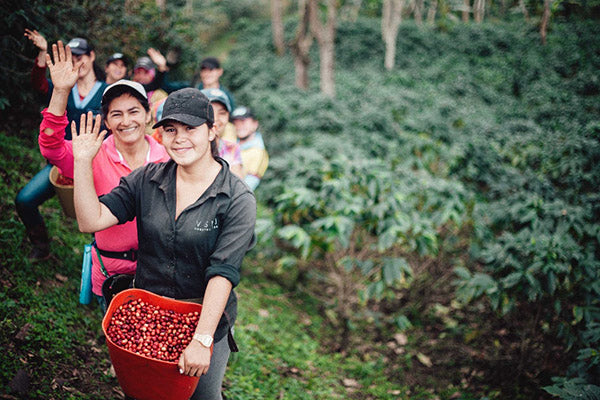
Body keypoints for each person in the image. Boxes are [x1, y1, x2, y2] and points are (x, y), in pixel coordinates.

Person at [72, 87, 256, 400]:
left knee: (202, 396)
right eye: (170, 130)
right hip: (148, 315)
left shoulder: (237, 199)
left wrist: (202, 339)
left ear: (213, 130)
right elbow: (91, 220)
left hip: (204, 318)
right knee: (143, 393)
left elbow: (222, 272)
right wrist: (81, 161)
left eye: (190, 128)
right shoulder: (146, 180)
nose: (179, 138)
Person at [38, 41, 170, 312]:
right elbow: (50, 146)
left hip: (159, 273)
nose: (126, 121)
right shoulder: (93, 153)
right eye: (116, 114)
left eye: (134, 111)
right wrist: (61, 91)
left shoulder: (168, 158)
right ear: (107, 122)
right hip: (112, 274)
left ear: (147, 116)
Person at [19, 31, 108, 260]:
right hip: (61, 163)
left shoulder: (107, 92)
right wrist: (42, 52)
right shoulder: (64, 87)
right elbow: (38, 85)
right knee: (25, 200)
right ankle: (41, 247)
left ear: (92, 56)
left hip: (97, 166)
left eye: (81, 56)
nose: (78, 62)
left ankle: (103, 262)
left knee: (105, 219)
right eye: (73, 57)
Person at [153, 50, 235, 110]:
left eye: (211, 70)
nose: (207, 74)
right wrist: (162, 67)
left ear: (220, 72)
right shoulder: (191, 88)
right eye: (204, 70)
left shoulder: (225, 95)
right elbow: (166, 87)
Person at [200, 88, 244, 179]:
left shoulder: (231, 148)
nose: (215, 119)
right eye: (210, 112)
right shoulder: (185, 147)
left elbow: (238, 184)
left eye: (222, 113)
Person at [230, 106, 269, 191]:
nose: (239, 126)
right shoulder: (231, 143)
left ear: (255, 124)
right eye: (235, 123)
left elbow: (246, 188)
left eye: (243, 122)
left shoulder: (258, 152)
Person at [132, 56, 168, 134]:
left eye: (145, 73)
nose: (141, 77)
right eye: (138, 73)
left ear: (152, 73)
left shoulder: (160, 95)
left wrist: (162, 68)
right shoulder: (129, 94)